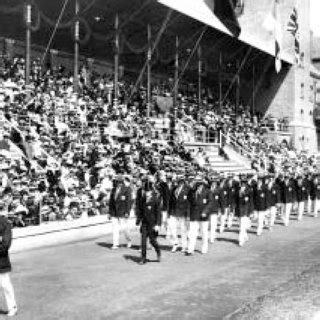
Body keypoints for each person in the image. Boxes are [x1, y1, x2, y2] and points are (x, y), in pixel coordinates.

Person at [136, 175, 161, 264]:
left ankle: (158, 251)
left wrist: (158, 224)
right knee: (143, 242)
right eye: (146, 192)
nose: (147, 193)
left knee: (152, 241)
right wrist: (138, 221)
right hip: (144, 223)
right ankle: (143, 258)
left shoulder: (156, 200)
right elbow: (139, 210)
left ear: (151, 191)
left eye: (148, 192)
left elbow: (158, 213)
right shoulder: (143, 199)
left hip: (153, 223)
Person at [0, 202, 17, 317]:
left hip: (1, 260)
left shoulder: (5, 223)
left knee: (5, 284)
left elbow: (5, 244)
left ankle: (12, 306)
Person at [187, 177, 211, 255]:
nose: (198, 185)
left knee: (204, 233)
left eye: (200, 183)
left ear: (202, 183)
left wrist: (205, 211)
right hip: (194, 215)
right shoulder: (192, 191)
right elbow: (189, 200)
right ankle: (190, 249)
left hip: (203, 216)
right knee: (192, 233)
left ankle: (204, 248)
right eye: (197, 183)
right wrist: (191, 189)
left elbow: (210, 203)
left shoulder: (207, 191)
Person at [109, 175, 133, 249]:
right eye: (117, 181)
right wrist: (110, 212)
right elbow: (111, 202)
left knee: (124, 228)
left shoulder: (127, 189)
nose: (118, 183)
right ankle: (115, 243)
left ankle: (128, 240)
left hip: (123, 211)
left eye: (119, 181)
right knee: (115, 228)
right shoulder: (113, 190)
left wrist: (127, 212)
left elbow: (129, 201)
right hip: (114, 212)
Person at [168, 176, 190, 253]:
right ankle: (175, 243)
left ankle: (184, 246)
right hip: (173, 211)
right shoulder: (174, 189)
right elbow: (170, 201)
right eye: (179, 180)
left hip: (183, 212)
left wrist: (188, 215)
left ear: (184, 181)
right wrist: (169, 212)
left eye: (182, 180)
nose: (180, 182)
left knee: (183, 230)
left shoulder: (188, 189)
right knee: (171, 228)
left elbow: (188, 203)